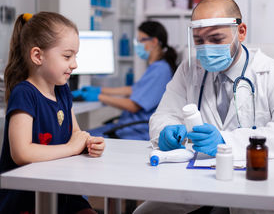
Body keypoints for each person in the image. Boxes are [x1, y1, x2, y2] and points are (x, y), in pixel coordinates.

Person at [134, 0, 274, 213]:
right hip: (198, 180)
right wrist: (165, 132)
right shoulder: (190, 70)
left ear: (241, 32)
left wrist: (225, 142)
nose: (206, 48)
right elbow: (162, 116)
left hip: (253, 184)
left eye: (216, 40)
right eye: (199, 41)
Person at [0, 12, 105, 214]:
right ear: (38, 56)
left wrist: (88, 143)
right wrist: (73, 148)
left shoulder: (62, 90)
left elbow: (75, 133)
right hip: (27, 197)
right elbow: (22, 153)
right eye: (67, 56)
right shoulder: (25, 94)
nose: (74, 64)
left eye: (75, 56)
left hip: (61, 190)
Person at [74, 21, 177, 140]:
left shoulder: (160, 70)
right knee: (82, 135)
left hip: (136, 131)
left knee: (81, 137)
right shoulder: (158, 67)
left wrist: (99, 96)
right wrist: (100, 90)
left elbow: (133, 106)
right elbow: (134, 89)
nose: (137, 45)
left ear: (154, 41)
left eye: (140, 40)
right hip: (129, 126)